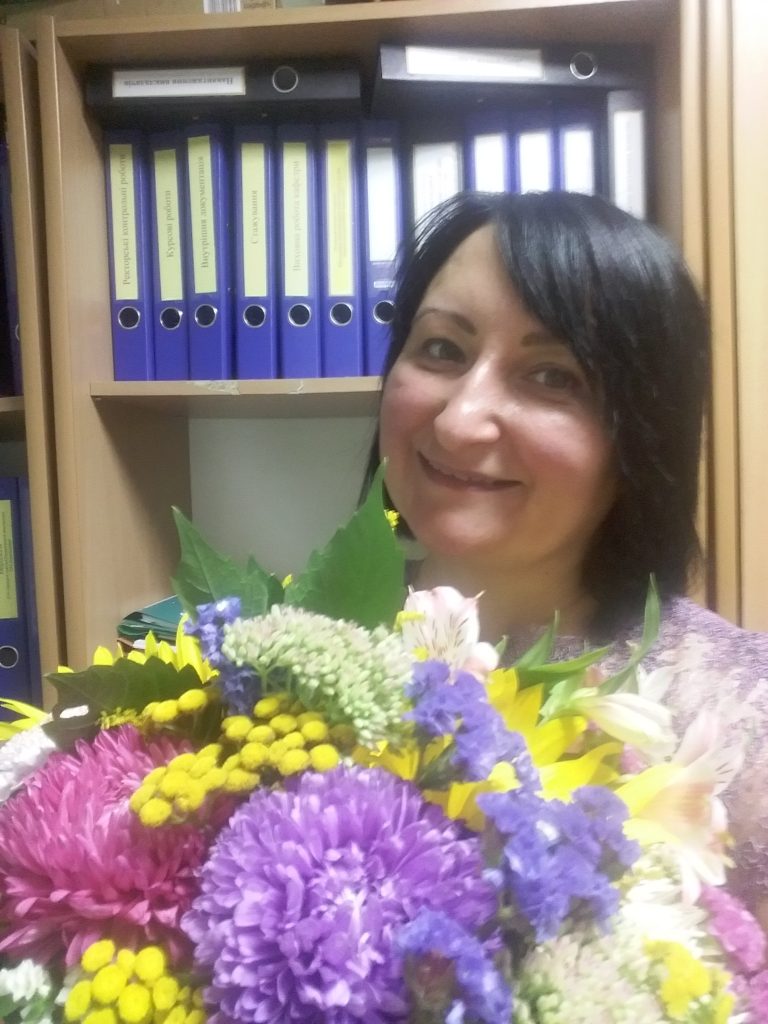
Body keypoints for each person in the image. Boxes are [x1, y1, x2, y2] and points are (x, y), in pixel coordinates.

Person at [361, 189, 768, 921]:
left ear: (640, 435)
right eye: (442, 349)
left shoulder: (742, 722)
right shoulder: (290, 655)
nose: (459, 422)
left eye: (553, 376)